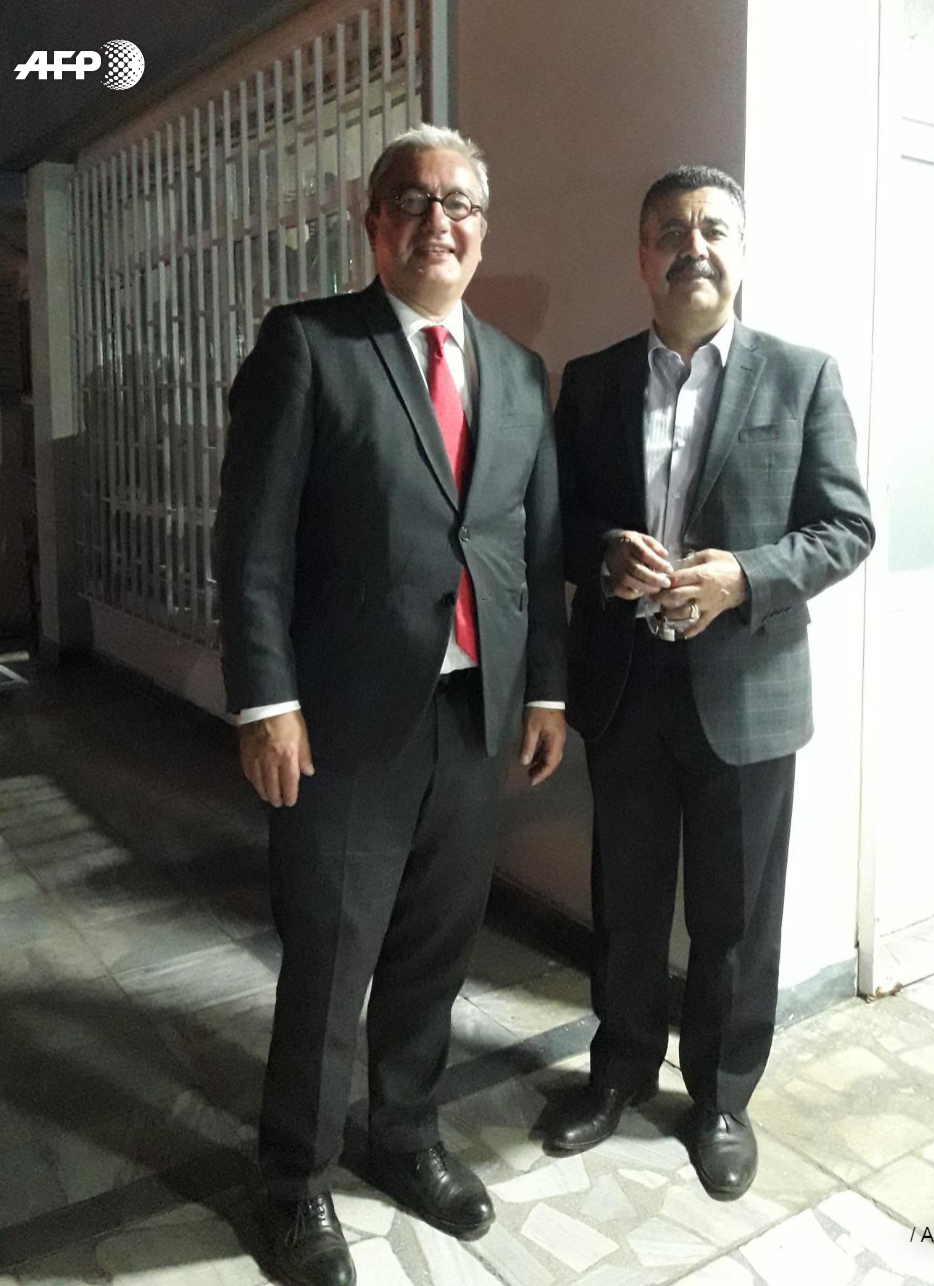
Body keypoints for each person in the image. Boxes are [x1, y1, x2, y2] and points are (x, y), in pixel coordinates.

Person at [215, 124, 567, 1286]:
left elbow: (530, 548)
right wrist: (266, 699)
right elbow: (253, 542)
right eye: (411, 201)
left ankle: (405, 1133)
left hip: (472, 714)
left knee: (431, 949)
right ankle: (295, 1178)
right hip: (340, 723)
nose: (436, 222)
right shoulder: (310, 346)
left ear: (482, 228)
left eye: (458, 203)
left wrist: (545, 685)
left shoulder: (516, 371)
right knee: (329, 959)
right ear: (373, 222)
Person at [546, 165, 874, 1200]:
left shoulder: (802, 376)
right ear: (642, 256)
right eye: (671, 231)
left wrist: (744, 578)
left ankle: (723, 1097)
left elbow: (847, 526)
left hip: (748, 693)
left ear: (741, 249)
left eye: (714, 229)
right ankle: (617, 1070)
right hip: (626, 684)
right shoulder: (592, 382)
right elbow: (551, 521)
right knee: (627, 901)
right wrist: (603, 553)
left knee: (735, 916)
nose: (694, 246)